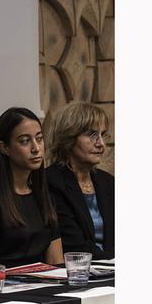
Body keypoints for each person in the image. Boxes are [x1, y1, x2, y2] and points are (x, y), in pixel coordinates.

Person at [0, 107, 63, 268]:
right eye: (25, 141)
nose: (36, 148)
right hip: (7, 286)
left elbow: (56, 263)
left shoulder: (45, 196)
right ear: (4, 148)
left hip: (45, 283)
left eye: (39, 139)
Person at [44, 102, 114, 259]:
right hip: (79, 271)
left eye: (103, 135)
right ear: (69, 138)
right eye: (92, 135)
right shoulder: (51, 181)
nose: (101, 144)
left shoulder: (108, 182)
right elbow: (74, 244)